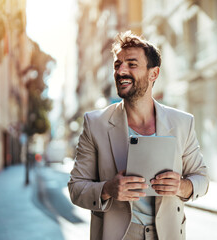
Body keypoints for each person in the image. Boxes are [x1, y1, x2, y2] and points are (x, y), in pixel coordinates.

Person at [68, 31, 209, 240]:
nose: (121, 71)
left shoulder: (182, 123)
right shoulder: (95, 124)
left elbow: (202, 179)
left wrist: (181, 186)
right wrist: (108, 189)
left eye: (131, 64)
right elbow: (76, 188)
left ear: (153, 74)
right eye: (117, 65)